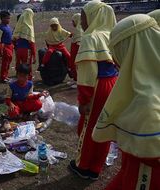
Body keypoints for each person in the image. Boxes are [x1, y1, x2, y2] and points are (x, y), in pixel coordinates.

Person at [92, 14, 160, 190]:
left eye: (117, 51)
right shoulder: (145, 84)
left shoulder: (145, 103)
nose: (113, 60)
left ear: (129, 51)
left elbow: (146, 161)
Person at [69, 0, 118, 180]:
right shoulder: (111, 34)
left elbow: (88, 72)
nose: (82, 21)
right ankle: (96, 166)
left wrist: (84, 100)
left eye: (83, 16)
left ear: (93, 16)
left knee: (88, 127)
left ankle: (83, 166)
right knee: (104, 126)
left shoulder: (90, 38)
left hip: (97, 86)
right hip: (113, 83)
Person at [12, 8, 36, 80]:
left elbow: (14, 38)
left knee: (19, 64)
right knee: (27, 65)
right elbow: (31, 42)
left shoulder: (18, 25)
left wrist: (16, 48)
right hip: (26, 50)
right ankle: (28, 78)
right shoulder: (29, 27)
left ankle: (19, 77)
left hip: (19, 49)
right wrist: (34, 55)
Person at [0, 11, 14, 83]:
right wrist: (0, 52)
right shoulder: (0, 28)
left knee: (8, 62)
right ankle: (3, 78)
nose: (9, 20)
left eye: (9, 18)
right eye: (7, 18)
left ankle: (6, 76)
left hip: (10, 46)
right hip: (5, 47)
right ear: (2, 18)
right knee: (5, 63)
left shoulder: (8, 27)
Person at [69, 13, 83, 81]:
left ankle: (77, 80)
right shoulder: (78, 29)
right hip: (75, 50)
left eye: (73, 21)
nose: (72, 23)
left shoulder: (79, 30)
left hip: (77, 51)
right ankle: (75, 79)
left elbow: (79, 42)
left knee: (76, 65)